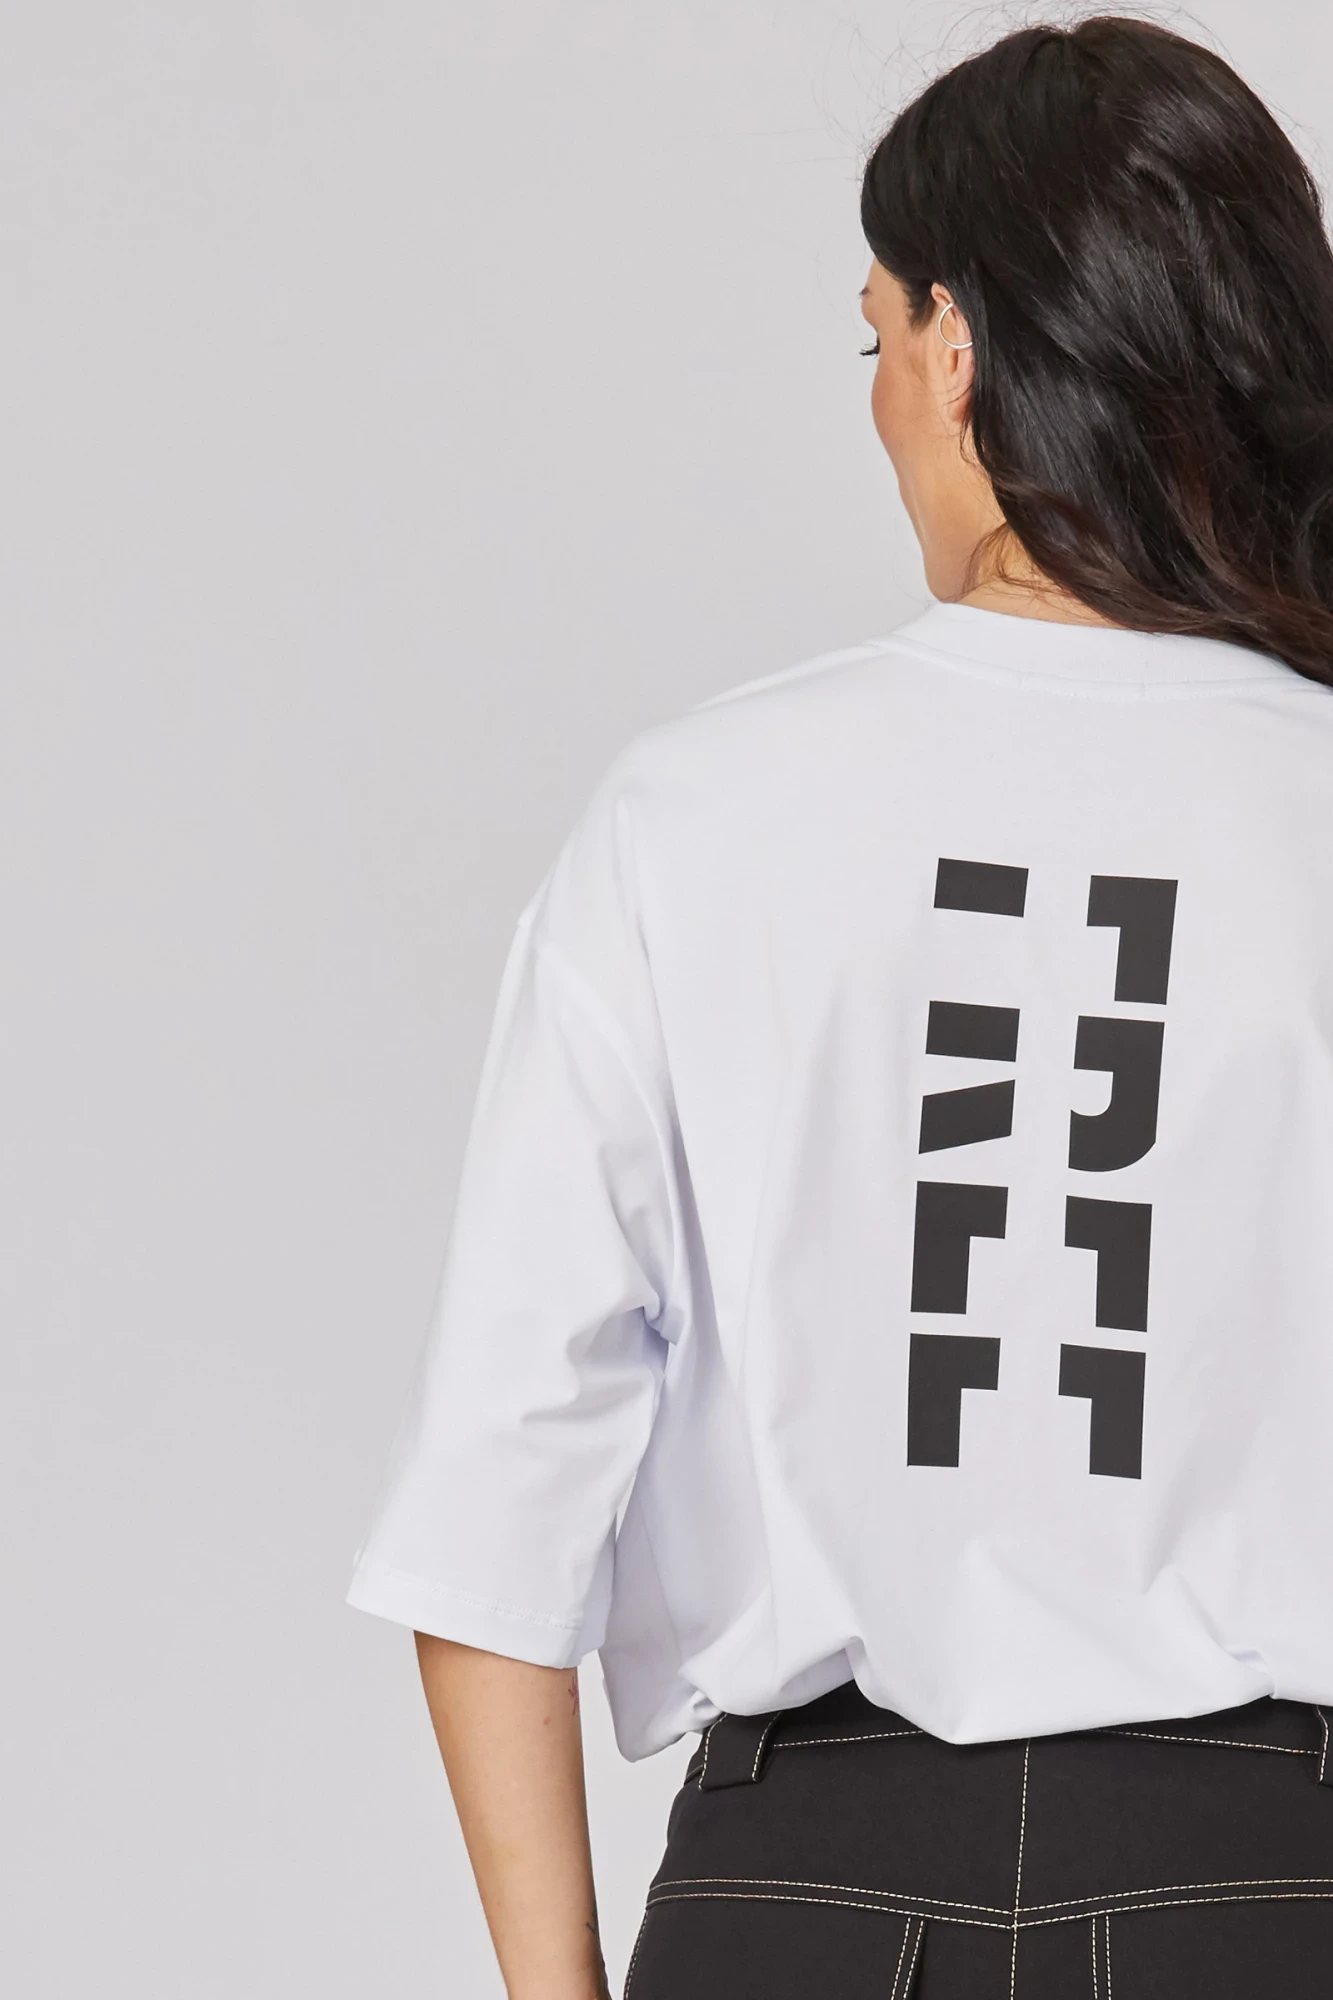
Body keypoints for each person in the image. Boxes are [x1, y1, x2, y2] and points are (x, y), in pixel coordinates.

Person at [346, 17, 1333, 1996]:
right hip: (1269, 1894)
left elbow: (501, 1496)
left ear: (959, 348)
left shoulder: (692, 819)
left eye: (873, 331)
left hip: (804, 1897)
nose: (879, 391)